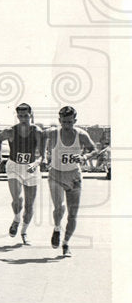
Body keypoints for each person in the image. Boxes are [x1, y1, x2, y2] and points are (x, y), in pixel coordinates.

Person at [45, 106, 96, 257]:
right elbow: (37, 136)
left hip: (74, 176)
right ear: (59, 121)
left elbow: (93, 149)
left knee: (73, 214)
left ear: (75, 121)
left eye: (70, 122)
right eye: (64, 122)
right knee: (59, 208)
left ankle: (66, 243)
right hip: (56, 175)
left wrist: (85, 157)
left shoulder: (81, 134)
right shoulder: (53, 134)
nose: (67, 125)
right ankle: (56, 229)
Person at [0, 103, 44, 245]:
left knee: (29, 205)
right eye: (20, 116)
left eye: (26, 116)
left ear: (31, 115)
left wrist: (35, 164)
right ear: (17, 116)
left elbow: (43, 155)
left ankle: (24, 232)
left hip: (31, 168)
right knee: (18, 198)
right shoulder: (10, 131)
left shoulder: (38, 132)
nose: (23, 119)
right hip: (14, 166)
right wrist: (0, 159)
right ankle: (16, 219)